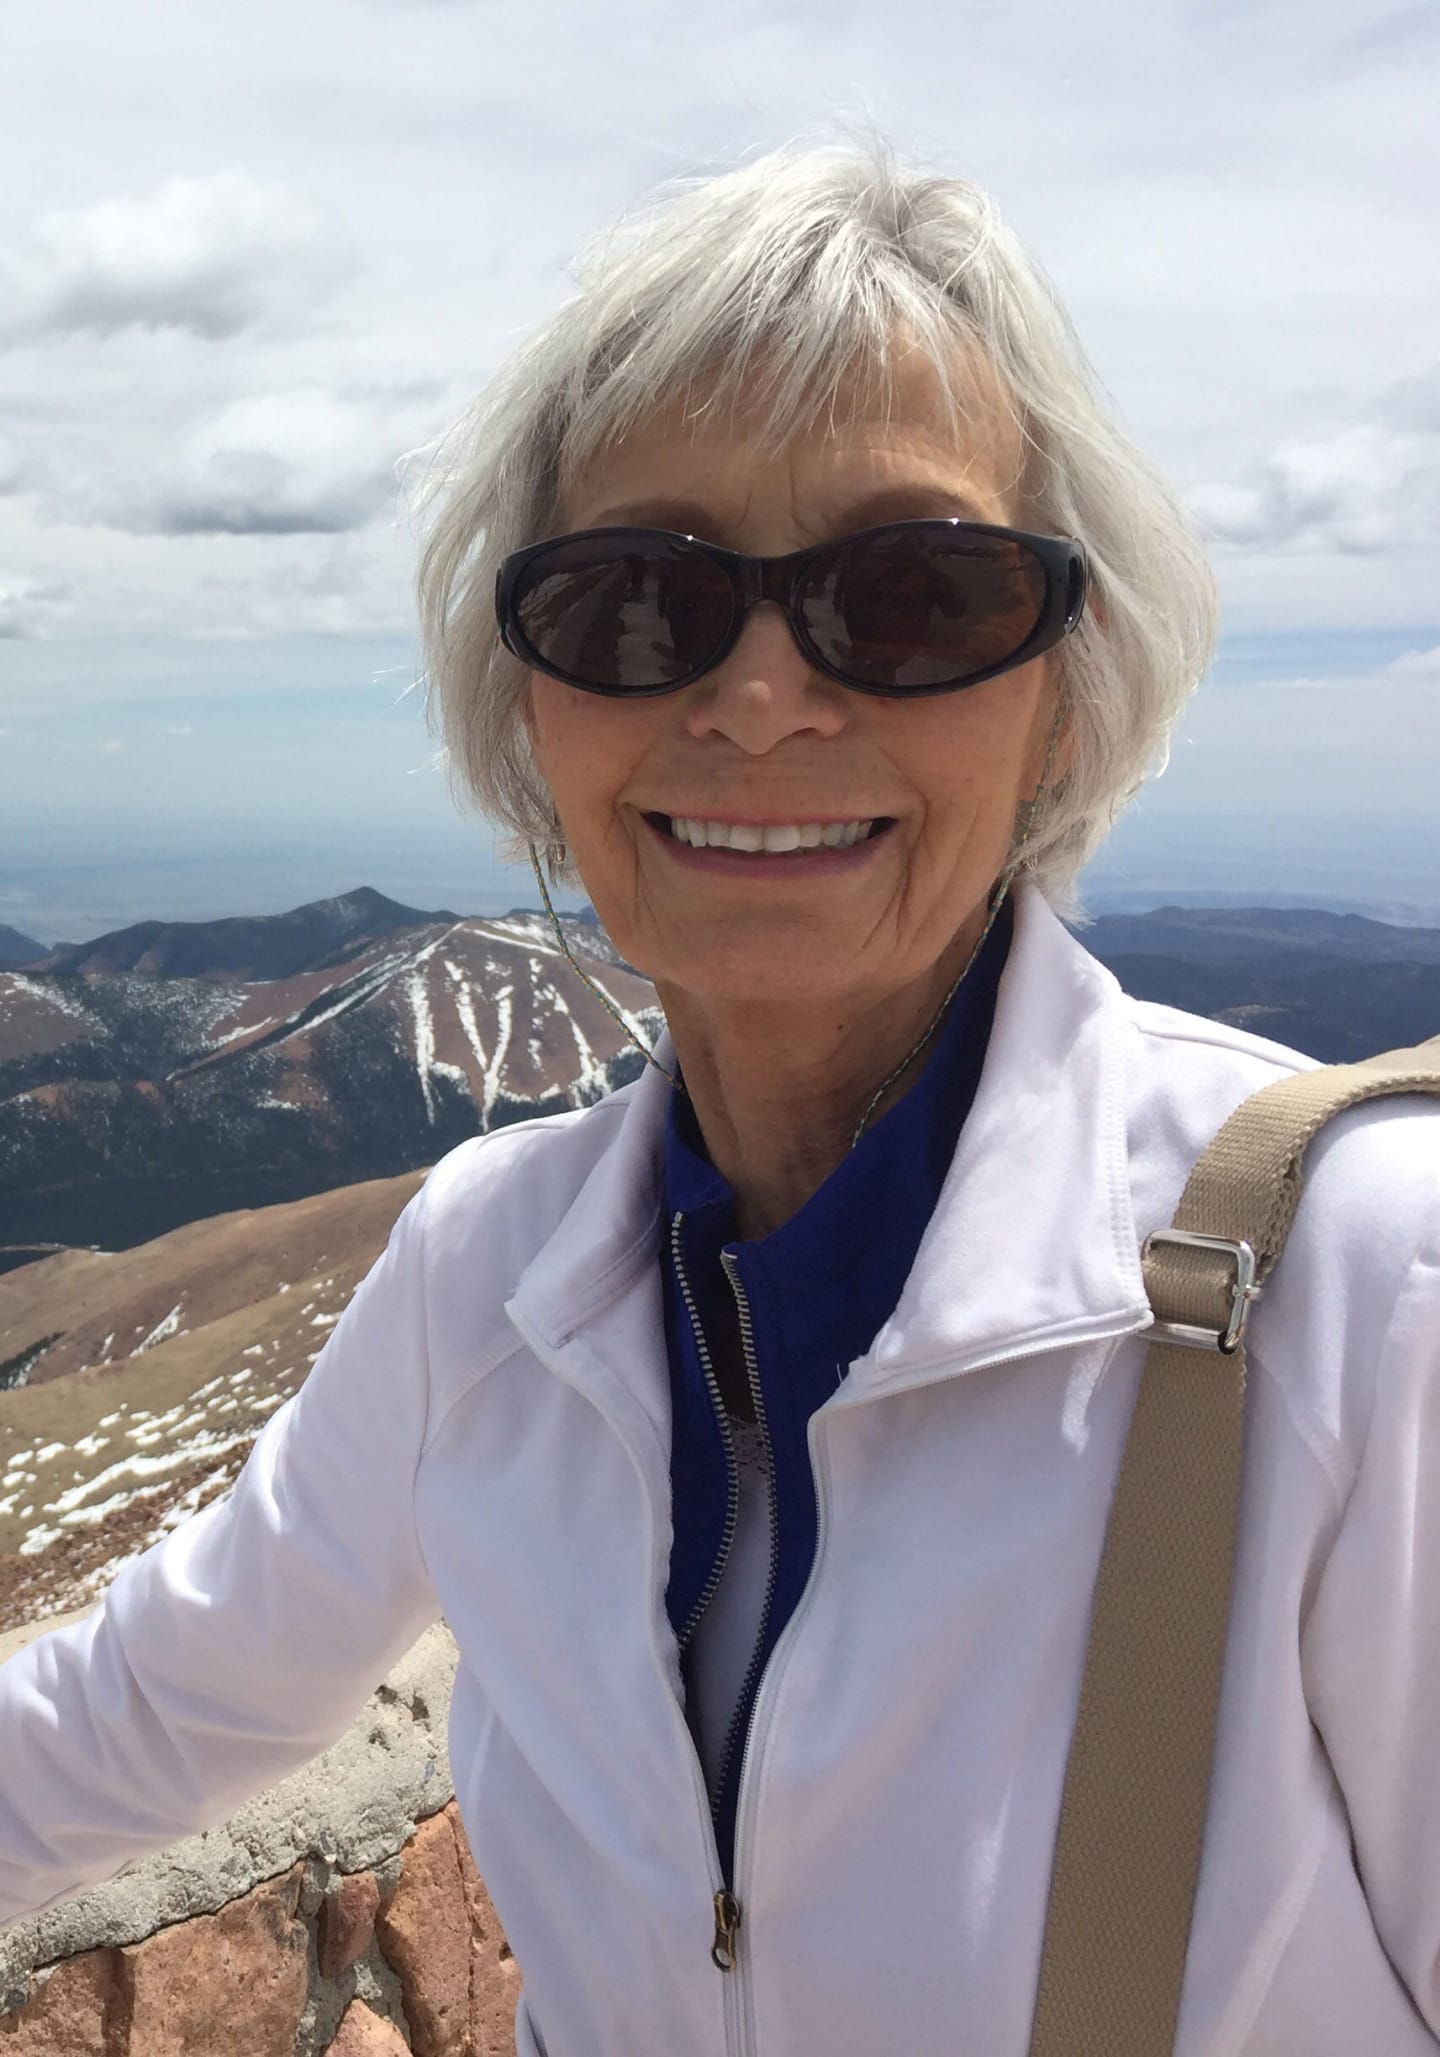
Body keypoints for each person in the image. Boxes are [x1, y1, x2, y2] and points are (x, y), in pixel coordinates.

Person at [2, 135, 1437, 2057]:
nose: (760, 694)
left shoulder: (1365, 1294)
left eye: (913, 592)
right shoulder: (483, 1279)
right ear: (530, 709)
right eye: (635, 602)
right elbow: (142, 1715)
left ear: (1068, 696)